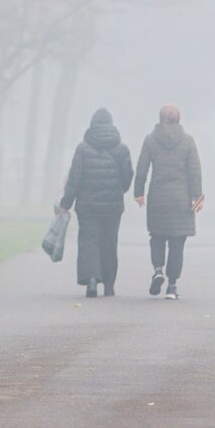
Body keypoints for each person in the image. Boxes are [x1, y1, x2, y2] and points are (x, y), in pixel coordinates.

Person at [60, 108, 133, 298]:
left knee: (89, 242)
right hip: (113, 206)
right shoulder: (122, 149)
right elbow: (127, 177)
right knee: (109, 243)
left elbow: (75, 179)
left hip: (87, 205)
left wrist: (65, 203)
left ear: (92, 125)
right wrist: (118, 191)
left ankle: (91, 280)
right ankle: (109, 285)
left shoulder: (83, 149)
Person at [134, 104, 203, 300]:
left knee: (156, 236)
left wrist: (138, 193)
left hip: (158, 197)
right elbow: (194, 172)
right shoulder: (188, 141)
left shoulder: (150, 140)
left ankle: (158, 270)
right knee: (177, 241)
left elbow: (142, 168)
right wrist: (197, 197)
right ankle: (172, 286)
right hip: (181, 198)